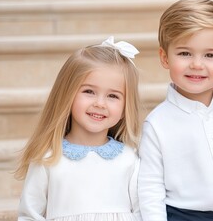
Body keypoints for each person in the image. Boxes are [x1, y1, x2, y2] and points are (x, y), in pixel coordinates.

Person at [138, 0, 213, 221]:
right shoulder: (158, 122)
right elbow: (150, 187)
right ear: (165, 57)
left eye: (210, 55)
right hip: (185, 215)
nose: (196, 64)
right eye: (184, 53)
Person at [14, 36, 142, 221]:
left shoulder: (130, 158)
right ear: (67, 95)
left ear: (125, 108)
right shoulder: (48, 158)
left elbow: (141, 212)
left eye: (113, 96)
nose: (100, 103)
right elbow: (29, 215)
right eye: (89, 91)